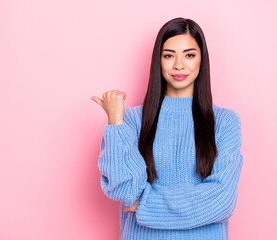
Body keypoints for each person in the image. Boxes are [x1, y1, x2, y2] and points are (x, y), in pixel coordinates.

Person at [90, 17, 243, 240]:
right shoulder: (131, 121)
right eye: (169, 55)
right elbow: (125, 192)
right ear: (158, 61)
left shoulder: (225, 122)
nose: (178, 65)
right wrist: (115, 123)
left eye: (189, 55)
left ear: (202, 60)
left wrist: (147, 203)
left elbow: (221, 200)